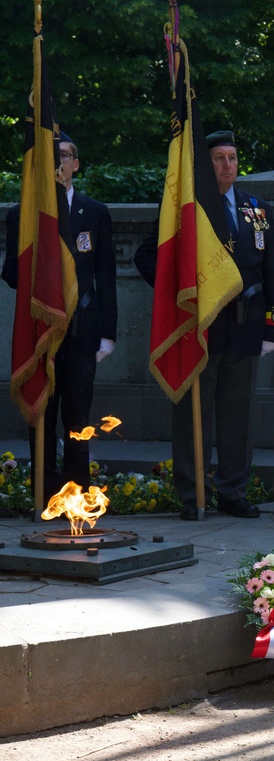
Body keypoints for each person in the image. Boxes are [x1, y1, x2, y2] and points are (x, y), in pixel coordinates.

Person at [134, 130, 274, 521]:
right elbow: (148, 256)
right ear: (205, 164)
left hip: (246, 324)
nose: (227, 166)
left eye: (233, 158)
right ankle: (192, 492)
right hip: (200, 326)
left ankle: (233, 491)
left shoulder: (258, 208)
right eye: (218, 158)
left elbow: (272, 272)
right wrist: (181, 298)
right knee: (193, 415)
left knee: (239, 415)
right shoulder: (188, 208)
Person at [3, 132, 117, 499]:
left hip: (83, 328)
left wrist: (107, 334)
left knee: (77, 414)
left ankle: (77, 491)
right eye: (52, 157)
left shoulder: (95, 212)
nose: (59, 162)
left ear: (76, 164)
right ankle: (43, 490)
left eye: (65, 156)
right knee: (42, 411)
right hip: (41, 331)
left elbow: (106, 276)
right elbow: (10, 274)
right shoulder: (23, 213)